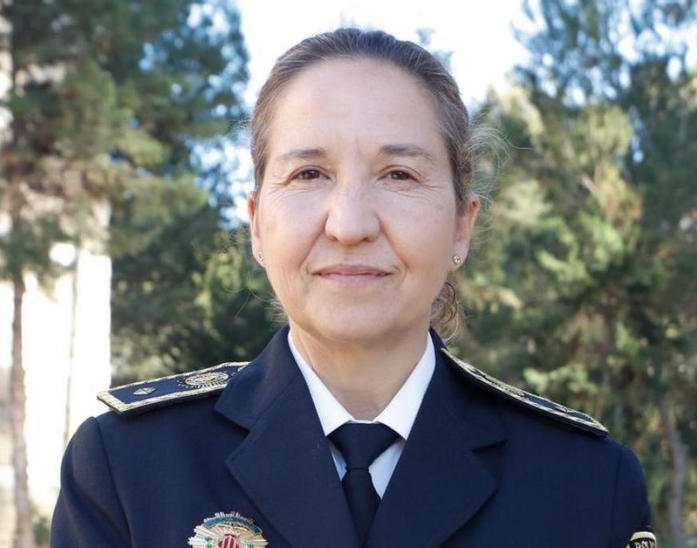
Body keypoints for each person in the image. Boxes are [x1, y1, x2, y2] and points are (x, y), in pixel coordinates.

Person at [51, 28, 656, 548]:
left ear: (462, 226)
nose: (349, 225)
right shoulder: (129, 466)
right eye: (309, 173)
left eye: (399, 174)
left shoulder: (586, 482)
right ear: (258, 223)